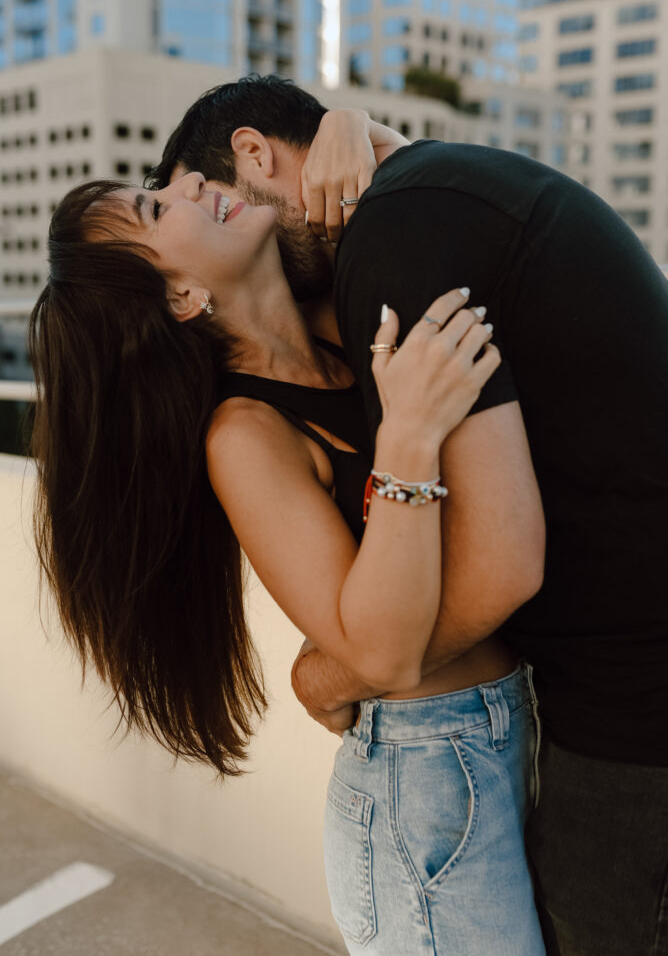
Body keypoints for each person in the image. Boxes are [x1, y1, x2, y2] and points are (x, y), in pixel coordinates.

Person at [149, 74, 668, 956]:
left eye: (204, 187)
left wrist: (331, 677)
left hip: (612, 700)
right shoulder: (376, 267)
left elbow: (496, 565)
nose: (196, 199)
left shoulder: (389, 247)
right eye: (163, 209)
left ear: (251, 153)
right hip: (498, 741)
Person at [30, 171, 546, 955]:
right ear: (178, 299)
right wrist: (407, 439)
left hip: (509, 733)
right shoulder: (244, 436)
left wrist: (347, 124)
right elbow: (384, 651)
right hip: (426, 782)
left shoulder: (345, 338)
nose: (191, 182)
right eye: (157, 207)